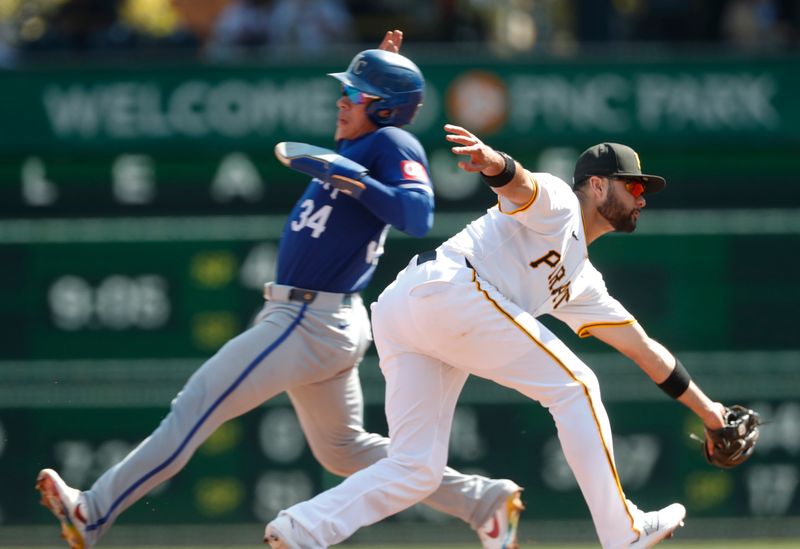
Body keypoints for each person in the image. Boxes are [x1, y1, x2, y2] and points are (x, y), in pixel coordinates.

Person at [35, 32, 523, 549]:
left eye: (355, 94)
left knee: (195, 407)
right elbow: (373, 145)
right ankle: (482, 501)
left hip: (305, 319)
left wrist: (354, 170)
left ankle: (93, 510)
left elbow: (416, 212)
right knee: (343, 450)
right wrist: (384, 76)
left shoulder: (389, 143)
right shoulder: (365, 144)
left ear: (383, 110)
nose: (341, 100)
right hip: (321, 319)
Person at [264, 124, 731, 549]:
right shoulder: (562, 203)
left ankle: (301, 529)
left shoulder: (582, 283)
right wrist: (495, 163)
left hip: (409, 310)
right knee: (577, 385)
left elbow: (645, 351)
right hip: (447, 290)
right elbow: (522, 184)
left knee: (417, 468)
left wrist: (713, 416)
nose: (641, 197)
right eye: (633, 185)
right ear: (597, 184)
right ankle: (622, 530)